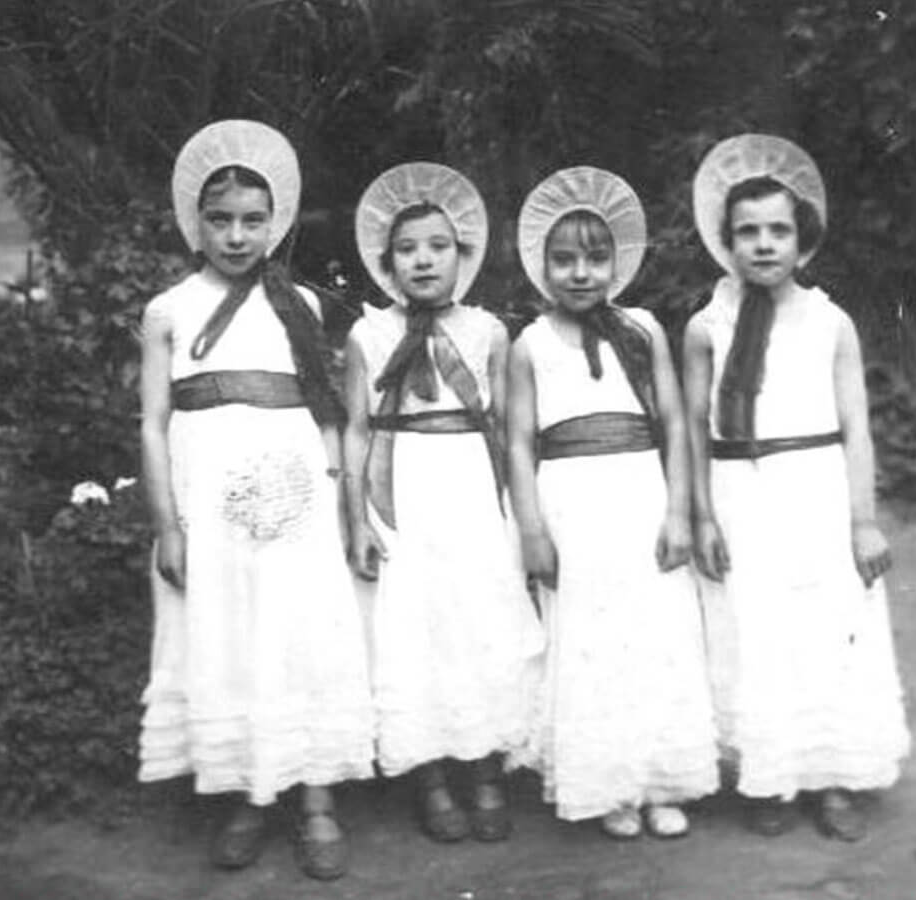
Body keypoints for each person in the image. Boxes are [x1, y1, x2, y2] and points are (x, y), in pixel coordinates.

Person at [138, 120, 374, 880]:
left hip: (294, 504)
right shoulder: (168, 310)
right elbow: (152, 422)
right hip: (206, 509)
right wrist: (166, 527)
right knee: (230, 640)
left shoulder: (299, 302)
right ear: (194, 223)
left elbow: (328, 414)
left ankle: (315, 803)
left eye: (252, 220)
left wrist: (344, 507)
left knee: (295, 638)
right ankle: (249, 796)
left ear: (275, 223)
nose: (236, 236)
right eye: (220, 220)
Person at [683, 134, 911, 841]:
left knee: (824, 630)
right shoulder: (705, 327)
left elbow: (855, 426)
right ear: (725, 242)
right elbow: (691, 429)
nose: (762, 245)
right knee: (755, 635)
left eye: (777, 230)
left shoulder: (828, 322)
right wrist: (700, 517)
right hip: (738, 492)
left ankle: (831, 776)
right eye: (746, 232)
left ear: (801, 240)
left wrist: (862, 520)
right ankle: (770, 776)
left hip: (813, 489)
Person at [507, 167, 718, 839]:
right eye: (564, 259)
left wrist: (679, 509)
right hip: (570, 503)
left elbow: (676, 424)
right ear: (541, 265)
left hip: (638, 495)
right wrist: (533, 531)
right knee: (591, 641)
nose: (580, 274)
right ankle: (610, 783)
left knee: (654, 636)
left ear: (617, 262)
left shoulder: (643, 330)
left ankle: (659, 778)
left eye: (595, 259)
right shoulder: (530, 344)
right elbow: (516, 443)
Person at [342, 162, 542, 843]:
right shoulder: (369, 336)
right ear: (387, 263)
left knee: (476, 622)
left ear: (463, 256)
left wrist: (519, 515)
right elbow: (357, 429)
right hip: (400, 493)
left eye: (437, 246)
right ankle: (428, 779)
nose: (422, 259)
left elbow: (509, 429)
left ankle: (484, 768)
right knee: (413, 631)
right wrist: (357, 523)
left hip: (468, 490)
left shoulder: (487, 331)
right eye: (407, 249)